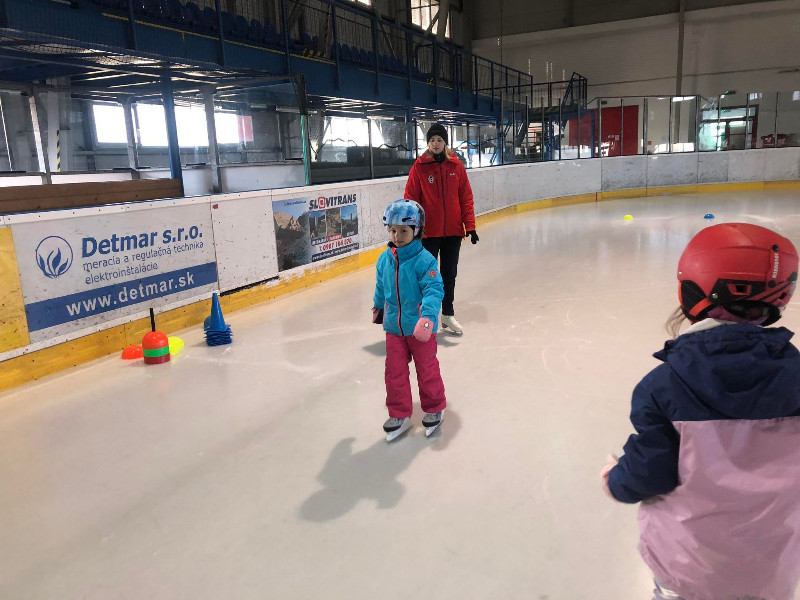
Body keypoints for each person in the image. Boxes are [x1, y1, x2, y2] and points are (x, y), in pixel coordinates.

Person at [601, 222, 800, 600]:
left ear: (691, 291)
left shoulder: (664, 385)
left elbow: (646, 474)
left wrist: (614, 478)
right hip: (772, 572)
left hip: (688, 571)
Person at [372, 199, 447, 441]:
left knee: (426, 369)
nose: (397, 236)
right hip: (394, 328)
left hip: (419, 328)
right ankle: (399, 413)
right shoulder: (384, 259)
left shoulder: (424, 260)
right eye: (393, 230)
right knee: (394, 372)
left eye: (403, 231)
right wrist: (378, 307)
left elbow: (434, 290)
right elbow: (381, 286)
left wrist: (427, 318)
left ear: (416, 230)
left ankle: (435, 407)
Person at [404, 123, 477, 335]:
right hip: (428, 233)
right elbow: (411, 200)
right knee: (428, 276)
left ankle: (447, 314)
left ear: (445, 143)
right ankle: (426, 318)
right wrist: (413, 229)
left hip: (453, 231)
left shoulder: (456, 166)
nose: (435, 144)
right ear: (428, 143)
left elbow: (466, 198)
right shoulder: (419, 167)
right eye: (432, 140)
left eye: (439, 140)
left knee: (449, 275)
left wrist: (470, 226)